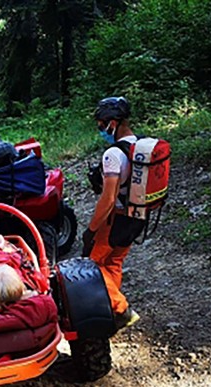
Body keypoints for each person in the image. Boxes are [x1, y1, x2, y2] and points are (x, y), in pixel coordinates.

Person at [82, 96, 141, 330]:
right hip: (136, 216)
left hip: (115, 218)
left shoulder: (113, 155)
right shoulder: (138, 145)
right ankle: (111, 309)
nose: (100, 129)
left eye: (100, 124)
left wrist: (92, 229)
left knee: (91, 266)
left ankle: (123, 310)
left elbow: (107, 198)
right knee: (113, 262)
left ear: (112, 123)